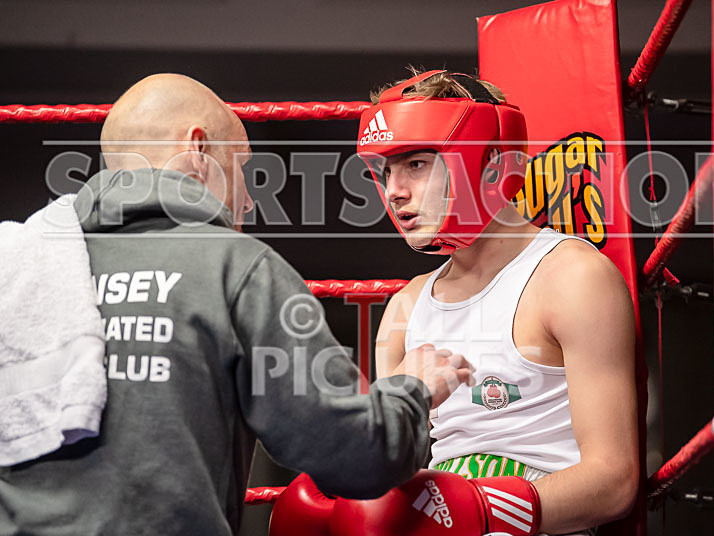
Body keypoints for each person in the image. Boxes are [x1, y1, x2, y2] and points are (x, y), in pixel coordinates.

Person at [0, 73, 473, 535]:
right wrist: (413, 390)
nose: (247, 201)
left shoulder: (18, 262)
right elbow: (355, 455)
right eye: (243, 168)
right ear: (199, 148)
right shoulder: (237, 268)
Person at [361, 70, 639, 535]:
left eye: (414, 164)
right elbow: (384, 479)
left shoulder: (571, 278)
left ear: (485, 161)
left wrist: (483, 511)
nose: (393, 190)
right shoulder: (405, 309)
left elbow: (615, 480)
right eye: (386, 171)